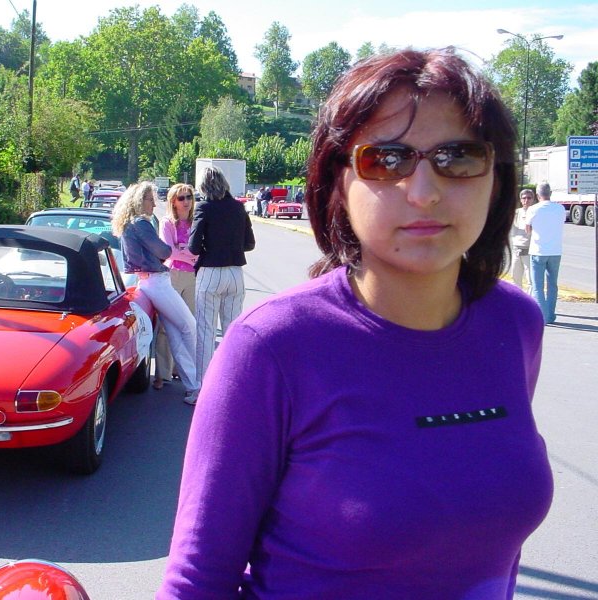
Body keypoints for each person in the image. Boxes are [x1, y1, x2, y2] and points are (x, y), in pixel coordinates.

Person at [159, 48, 553, 598]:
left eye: (459, 157)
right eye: (386, 160)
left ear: (497, 179)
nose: (425, 192)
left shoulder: (515, 324)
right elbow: (197, 582)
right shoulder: (272, 348)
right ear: (339, 184)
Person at [111, 182, 200, 404]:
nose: (154, 204)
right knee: (189, 326)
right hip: (157, 282)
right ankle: (202, 379)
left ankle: (194, 387)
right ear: (139, 201)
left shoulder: (129, 224)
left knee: (175, 334)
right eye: (151, 200)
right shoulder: (141, 223)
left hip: (147, 281)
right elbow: (163, 250)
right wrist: (170, 251)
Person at [188, 166, 255, 395]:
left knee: (206, 332)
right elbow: (249, 244)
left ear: (203, 186)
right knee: (231, 331)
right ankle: (232, 386)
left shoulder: (204, 208)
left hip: (210, 272)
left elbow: (194, 247)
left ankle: (202, 389)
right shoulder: (238, 207)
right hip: (235, 272)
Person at [153, 184, 198, 390]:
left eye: (189, 197)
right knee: (166, 325)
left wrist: (186, 252)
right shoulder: (167, 222)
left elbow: (202, 248)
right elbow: (169, 251)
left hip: (193, 276)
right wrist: (190, 255)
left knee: (189, 324)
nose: (186, 201)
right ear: (173, 201)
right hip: (172, 275)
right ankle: (163, 373)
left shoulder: (196, 221)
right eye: (181, 198)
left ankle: (182, 370)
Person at [526, 181, 566, 324]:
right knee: (552, 285)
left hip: (538, 250)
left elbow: (528, 229)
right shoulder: (560, 208)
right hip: (555, 250)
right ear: (551, 193)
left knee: (537, 285)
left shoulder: (533, 209)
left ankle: (543, 316)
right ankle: (550, 314)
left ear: (537, 195)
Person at [510, 188, 535, 290]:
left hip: (529, 251)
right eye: (524, 198)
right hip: (516, 249)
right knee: (515, 278)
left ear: (533, 199)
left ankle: (530, 298)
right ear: (520, 200)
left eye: (529, 198)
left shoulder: (535, 212)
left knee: (530, 280)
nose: (526, 200)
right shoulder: (516, 213)